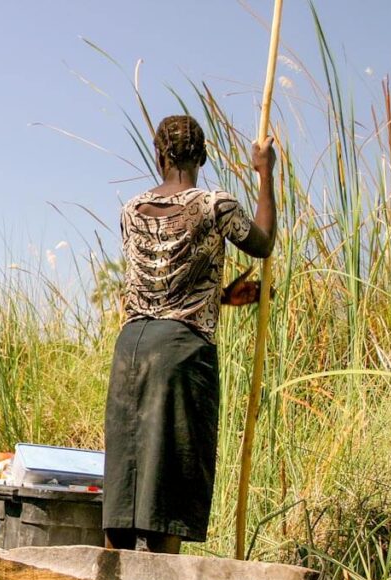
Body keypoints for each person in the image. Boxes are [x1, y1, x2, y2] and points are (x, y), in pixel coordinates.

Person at [103, 114, 276, 554]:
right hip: (180, 353)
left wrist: (220, 297)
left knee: (126, 477)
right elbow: (262, 243)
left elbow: (159, 285)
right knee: (171, 479)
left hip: (131, 350)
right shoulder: (214, 204)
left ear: (159, 155)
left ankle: (112, 579)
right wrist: (265, 174)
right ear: (201, 156)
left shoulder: (132, 209)